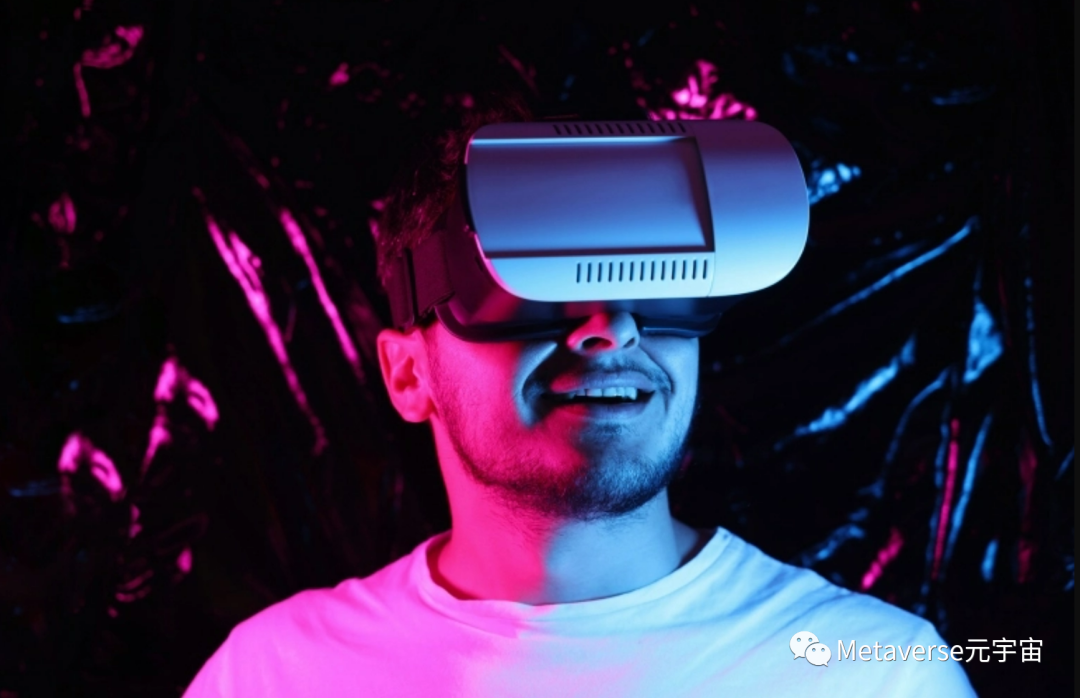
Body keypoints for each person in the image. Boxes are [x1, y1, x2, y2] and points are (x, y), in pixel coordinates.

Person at [184, 96, 977, 697]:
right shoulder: (272, 675)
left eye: (658, 283)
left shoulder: (877, 676)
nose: (611, 328)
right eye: (527, 287)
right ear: (408, 375)